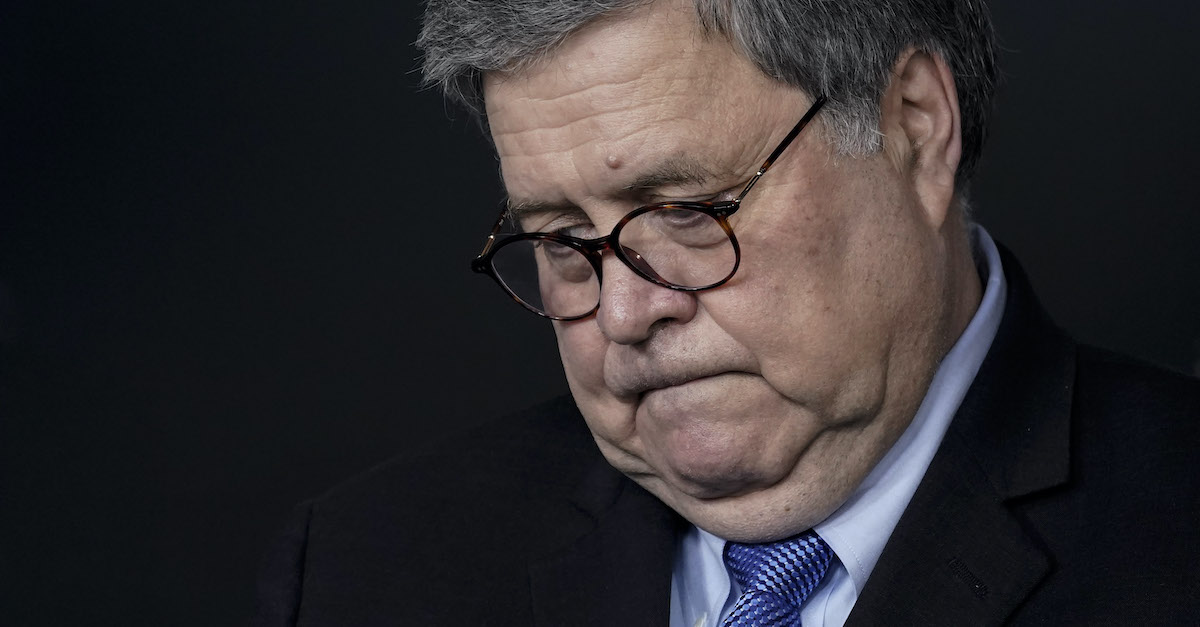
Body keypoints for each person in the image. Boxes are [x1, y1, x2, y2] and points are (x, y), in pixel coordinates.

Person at [254, 1, 1200, 624]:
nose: (624, 312)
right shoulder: (359, 573)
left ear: (914, 126)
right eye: (559, 239)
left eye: (685, 210)